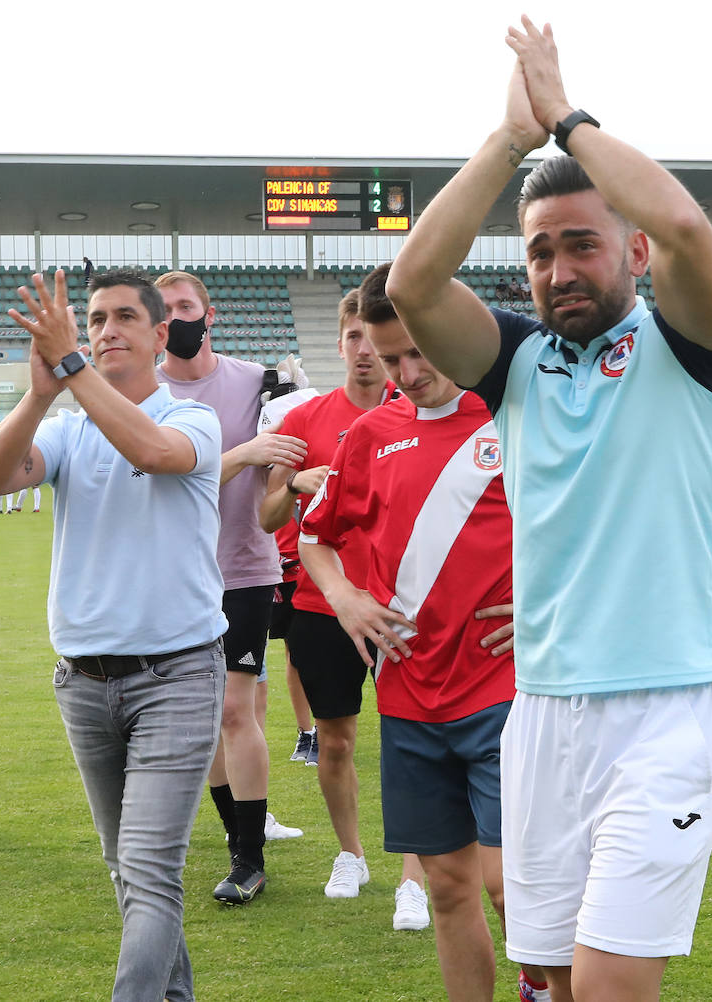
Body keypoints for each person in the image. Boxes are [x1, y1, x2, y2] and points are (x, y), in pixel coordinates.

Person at [386, 21, 712, 1002]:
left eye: (581, 245)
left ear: (628, 250)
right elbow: (411, 283)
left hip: (666, 714)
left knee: (608, 982)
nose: (558, 270)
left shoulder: (696, 344)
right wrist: (509, 142)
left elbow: (683, 229)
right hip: (541, 713)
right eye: (541, 252)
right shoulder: (518, 363)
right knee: (546, 975)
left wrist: (568, 121)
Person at [0, 267, 225, 1002]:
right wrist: (42, 392)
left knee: (146, 870)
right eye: (94, 319)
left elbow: (152, 453)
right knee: (129, 868)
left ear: (156, 335)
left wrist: (74, 369)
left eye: (121, 318)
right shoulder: (68, 426)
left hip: (176, 675)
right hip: (83, 682)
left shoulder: (191, 419)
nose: (105, 329)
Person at [300, 263, 534, 1002]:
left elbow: (598, 522)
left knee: (508, 886)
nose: (406, 371)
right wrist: (343, 598)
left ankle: (542, 985)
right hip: (407, 697)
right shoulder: (371, 435)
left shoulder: (514, 413)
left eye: (418, 351)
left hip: (505, 688)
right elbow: (315, 538)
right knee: (448, 891)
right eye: (389, 356)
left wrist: (544, 601)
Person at [258, 289, 432, 927]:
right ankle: (351, 854)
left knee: (413, 741)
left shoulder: (418, 413)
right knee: (335, 740)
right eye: (354, 338)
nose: (365, 352)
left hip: (399, 608)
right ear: (339, 344)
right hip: (321, 605)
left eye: (373, 339)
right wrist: (296, 485)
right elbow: (266, 515)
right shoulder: (304, 420)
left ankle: (413, 876)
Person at [155, 269, 307, 903]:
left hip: (244, 567)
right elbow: (165, 478)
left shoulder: (254, 381)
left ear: (209, 313)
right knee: (201, 717)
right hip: (172, 572)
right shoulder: (145, 394)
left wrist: (297, 402)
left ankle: (250, 856)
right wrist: (246, 453)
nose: (178, 320)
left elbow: (297, 437)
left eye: (186, 307)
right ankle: (237, 840)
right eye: (165, 313)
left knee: (232, 709)